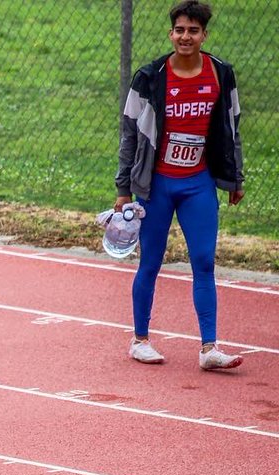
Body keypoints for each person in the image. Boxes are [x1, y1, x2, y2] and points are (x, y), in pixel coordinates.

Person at [115, 1, 244, 371]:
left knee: (203, 262)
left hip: (198, 185)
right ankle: (140, 339)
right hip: (156, 186)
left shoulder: (221, 73)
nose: (185, 37)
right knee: (151, 262)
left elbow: (233, 128)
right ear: (171, 34)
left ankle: (209, 349)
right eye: (180, 30)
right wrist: (124, 188)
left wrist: (235, 177)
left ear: (204, 35)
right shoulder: (150, 76)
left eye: (193, 31)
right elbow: (129, 134)